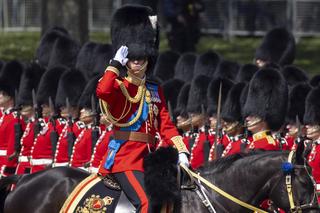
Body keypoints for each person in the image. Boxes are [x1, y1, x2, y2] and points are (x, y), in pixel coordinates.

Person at [96, 5, 189, 213]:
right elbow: (102, 91)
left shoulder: (155, 89)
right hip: (125, 159)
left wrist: (181, 151)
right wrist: (114, 64)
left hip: (151, 160)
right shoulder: (119, 86)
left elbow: (166, 124)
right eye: (132, 58)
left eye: (141, 57)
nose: (137, 61)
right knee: (146, 203)